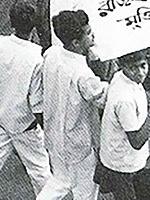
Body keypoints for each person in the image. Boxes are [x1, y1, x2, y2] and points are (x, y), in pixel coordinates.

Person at [0, 0, 51, 200]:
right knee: (41, 173)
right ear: (33, 27)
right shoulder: (36, 57)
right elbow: (36, 102)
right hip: (25, 125)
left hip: (1, 119)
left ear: (11, 22)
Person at [37, 10, 107, 200]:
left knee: (59, 182)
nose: (93, 35)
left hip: (53, 136)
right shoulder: (83, 74)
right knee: (85, 193)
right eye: (89, 33)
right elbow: (102, 97)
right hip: (77, 143)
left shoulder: (51, 54)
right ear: (76, 42)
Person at [95, 50, 150, 200]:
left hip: (125, 157)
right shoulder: (124, 100)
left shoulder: (119, 77)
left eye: (143, 65)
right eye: (133, 68)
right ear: (122, 65)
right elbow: (136, 141)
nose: (140, 73)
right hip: (123, 164)